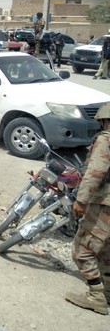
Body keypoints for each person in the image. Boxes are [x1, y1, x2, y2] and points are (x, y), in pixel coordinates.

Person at [65, 102, 110, 315]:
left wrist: (81, 200)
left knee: (83, 249)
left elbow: (96, 171)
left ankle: (95, 296)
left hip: (105, 204)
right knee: (106, 250)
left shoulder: (106, 139)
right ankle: (107, 291)